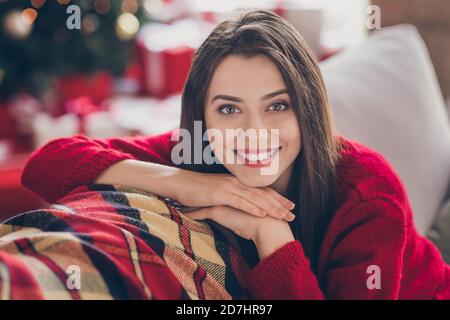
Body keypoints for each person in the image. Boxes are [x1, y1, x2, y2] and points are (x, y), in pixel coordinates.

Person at [21, 10, 450, 299]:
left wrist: (271, 235)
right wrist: (187, 182)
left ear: (309, 108)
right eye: (229, 109)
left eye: (277, 105)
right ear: (202, 119)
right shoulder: (196, 153)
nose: (253, 131)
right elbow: (46, 164)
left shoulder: (369, 196)